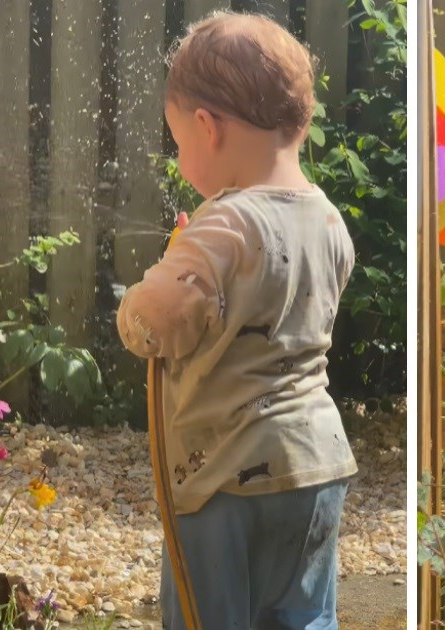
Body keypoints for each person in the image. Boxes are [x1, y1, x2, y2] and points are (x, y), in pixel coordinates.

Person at [116, 11, 356, 629]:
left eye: (179, 141)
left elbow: (159, 317)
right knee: (303, 618)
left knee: (208, 618)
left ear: (207, 127)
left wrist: (137, 306)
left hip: (225, 475)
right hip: (316, 464)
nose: (179, 156)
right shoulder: (328, 219)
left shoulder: (227, 220)